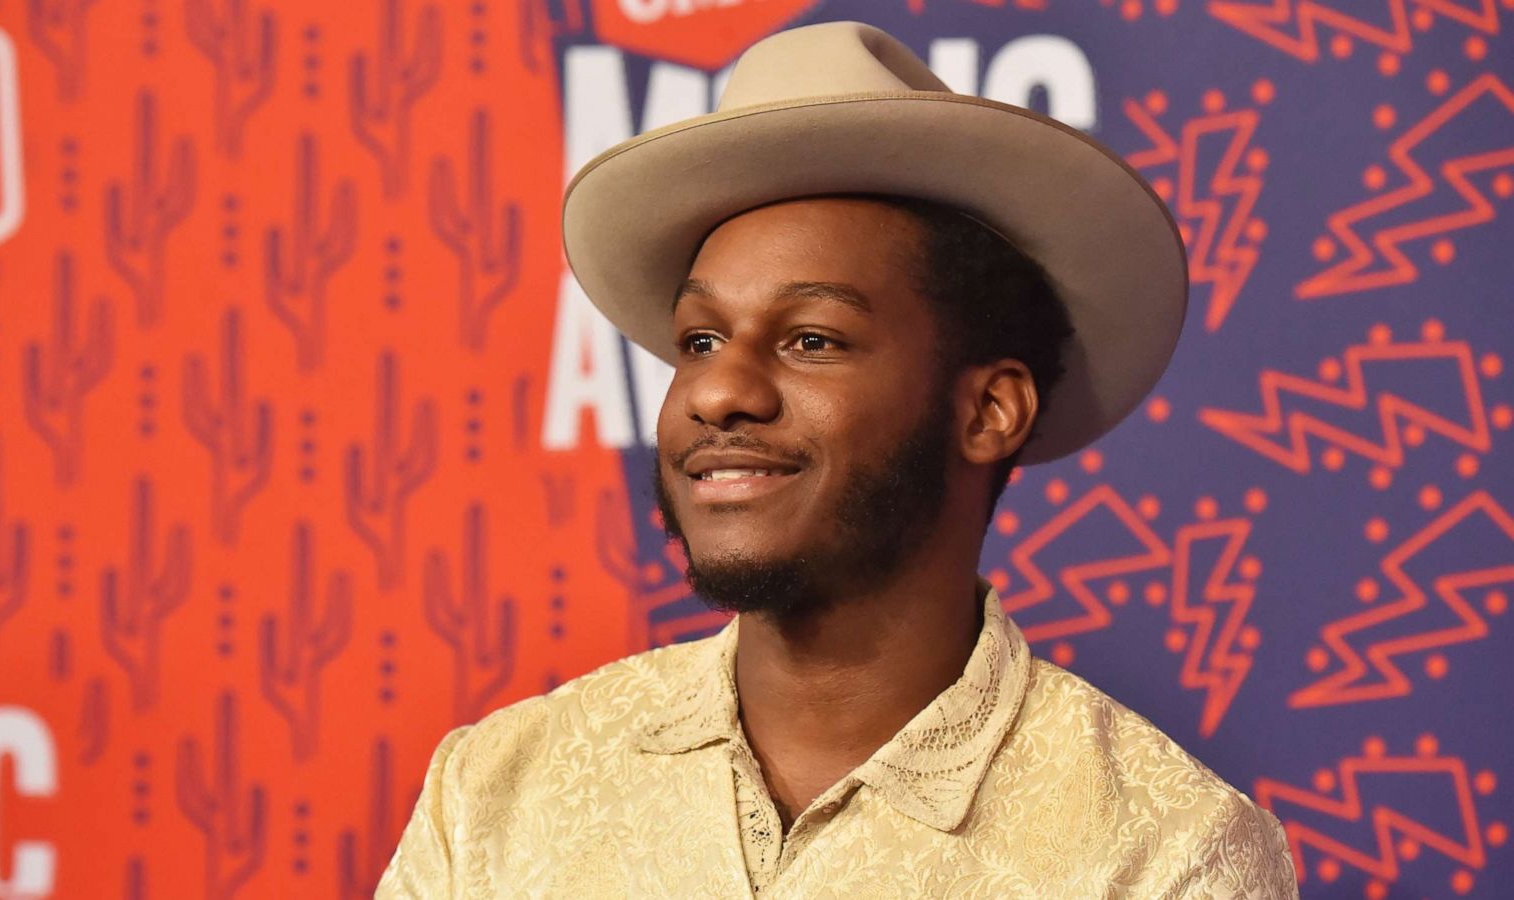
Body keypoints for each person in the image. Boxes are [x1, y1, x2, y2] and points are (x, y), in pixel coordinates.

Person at [378, 20, 1298, 898]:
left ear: (987, 409)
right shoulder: (496, 788)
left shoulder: (1162, 853)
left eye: (811, 340)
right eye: (698, 341)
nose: (715, 391)